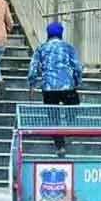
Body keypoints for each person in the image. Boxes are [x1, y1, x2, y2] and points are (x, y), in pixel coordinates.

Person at [27, 21, 83, 156]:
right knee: (74, 107)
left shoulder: (41, 48)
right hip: (67, 86)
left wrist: (32, 84)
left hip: (49, 87)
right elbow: (77, 67)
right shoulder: (68, 47)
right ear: (61, 34)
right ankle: (67, 128)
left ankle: (60, 145)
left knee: (53, 117)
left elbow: (33, 69)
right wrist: (77, 82)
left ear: (48, 34)